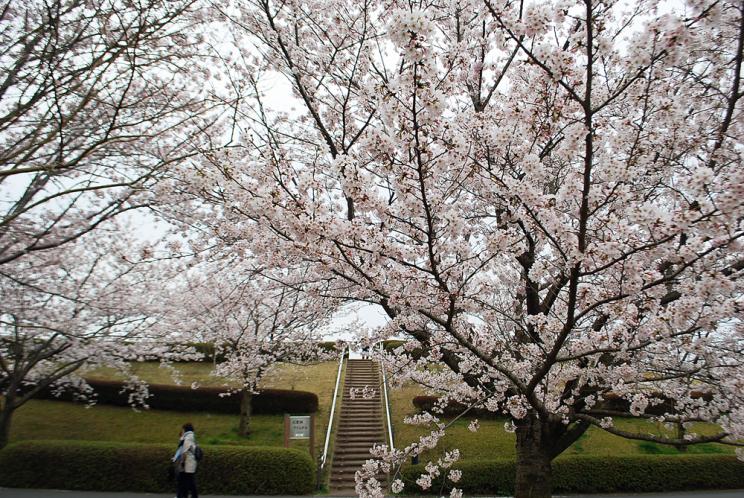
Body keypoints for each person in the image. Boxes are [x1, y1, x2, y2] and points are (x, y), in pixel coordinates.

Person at [172, 423, 198, 498]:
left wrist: (182, 462)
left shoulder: (188, 438)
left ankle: (184, 496)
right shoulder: (191, 437)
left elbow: (184, 451)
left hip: (187, 464)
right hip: (189, 463)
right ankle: (183, 495)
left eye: (183, 429)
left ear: (185, 429)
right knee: (187, 481)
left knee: (187, 481)